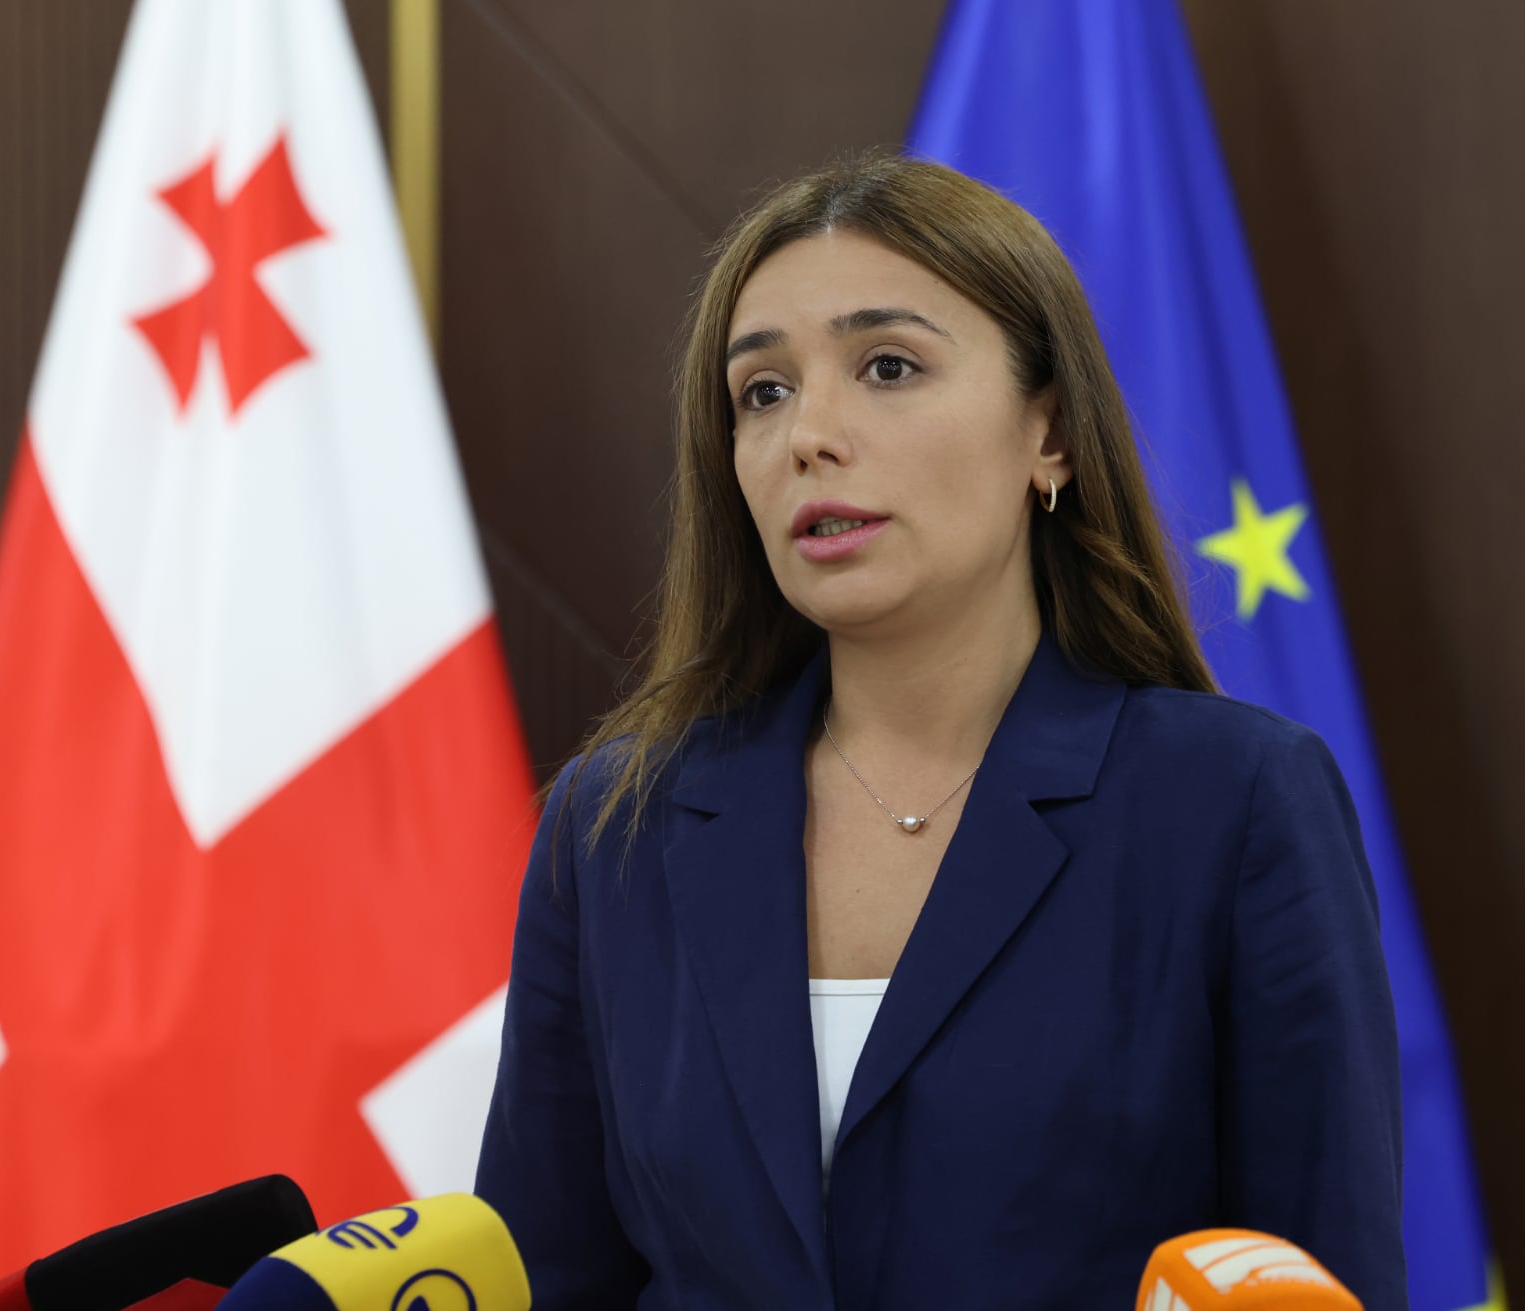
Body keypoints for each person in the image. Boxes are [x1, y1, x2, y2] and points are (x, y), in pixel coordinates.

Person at [474, 153, 1407, 1311]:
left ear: (1048, 433)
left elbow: (1317, 1270)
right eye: (761, 391)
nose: (808, 433)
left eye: (887, 366)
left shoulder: (1234, 802)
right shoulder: (613, 825)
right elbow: (544, 1276)